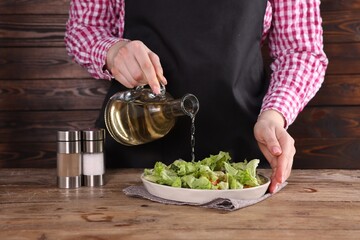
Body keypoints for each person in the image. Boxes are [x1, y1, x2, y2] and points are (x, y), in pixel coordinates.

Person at [65, 0, 328, 193]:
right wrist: (113, 52)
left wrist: (274, 116)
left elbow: (301, 52)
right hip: (132, 157)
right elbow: (84, 28)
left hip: (239, 168)